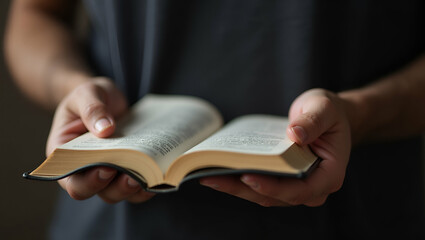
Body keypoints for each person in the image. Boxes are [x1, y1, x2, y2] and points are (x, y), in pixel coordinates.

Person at [5, 0, 425, 239]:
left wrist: (361, 113)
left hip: (360, 218)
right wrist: (70, 87)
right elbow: (36, 16)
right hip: (112, 227)